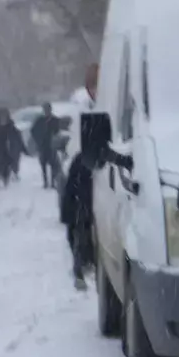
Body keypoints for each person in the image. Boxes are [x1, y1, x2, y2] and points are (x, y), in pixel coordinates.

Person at [61, 112, 109, 290]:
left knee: (87, 242)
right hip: (84, 209)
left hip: (96, 210)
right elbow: (69, 190)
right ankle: (80, 272)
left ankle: (86, 271)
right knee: (81, 241)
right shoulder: (81, 161)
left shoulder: (103, 160)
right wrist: (68, 213)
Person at [0, 107, 23, 188]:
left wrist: (15, 146)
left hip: (7, 150)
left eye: (4, 116)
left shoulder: (11, 127)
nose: (3, 118)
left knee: (6, 166)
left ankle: (5, 180)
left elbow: (16, 137)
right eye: (1, 116)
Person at [30, 103, 62, 189]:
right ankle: (45, 182)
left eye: (48, 109)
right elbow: (33, 131)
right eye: (45, 109)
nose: (47, 111)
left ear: (50, 110)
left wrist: (56, 138)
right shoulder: (40, 120)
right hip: (42, 145)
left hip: (52, 145)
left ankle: (52, 182)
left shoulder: (55, 120)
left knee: (53, 164)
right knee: (43, 164)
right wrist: (38, 140)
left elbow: (59, 131)